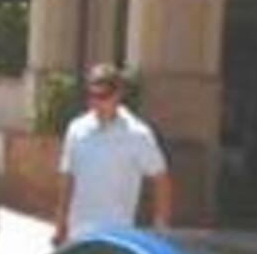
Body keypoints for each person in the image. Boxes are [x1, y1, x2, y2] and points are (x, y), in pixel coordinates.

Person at [55, 63, 172, 244]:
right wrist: (60, 224)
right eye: (92, 96)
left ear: (118, 95)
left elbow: (161, 179)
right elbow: (68, 178)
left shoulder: (138, 134)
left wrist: (160, 227)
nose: (96, 103)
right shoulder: (76, 129)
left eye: (103, 96)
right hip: (78, 236)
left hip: (117, 238)